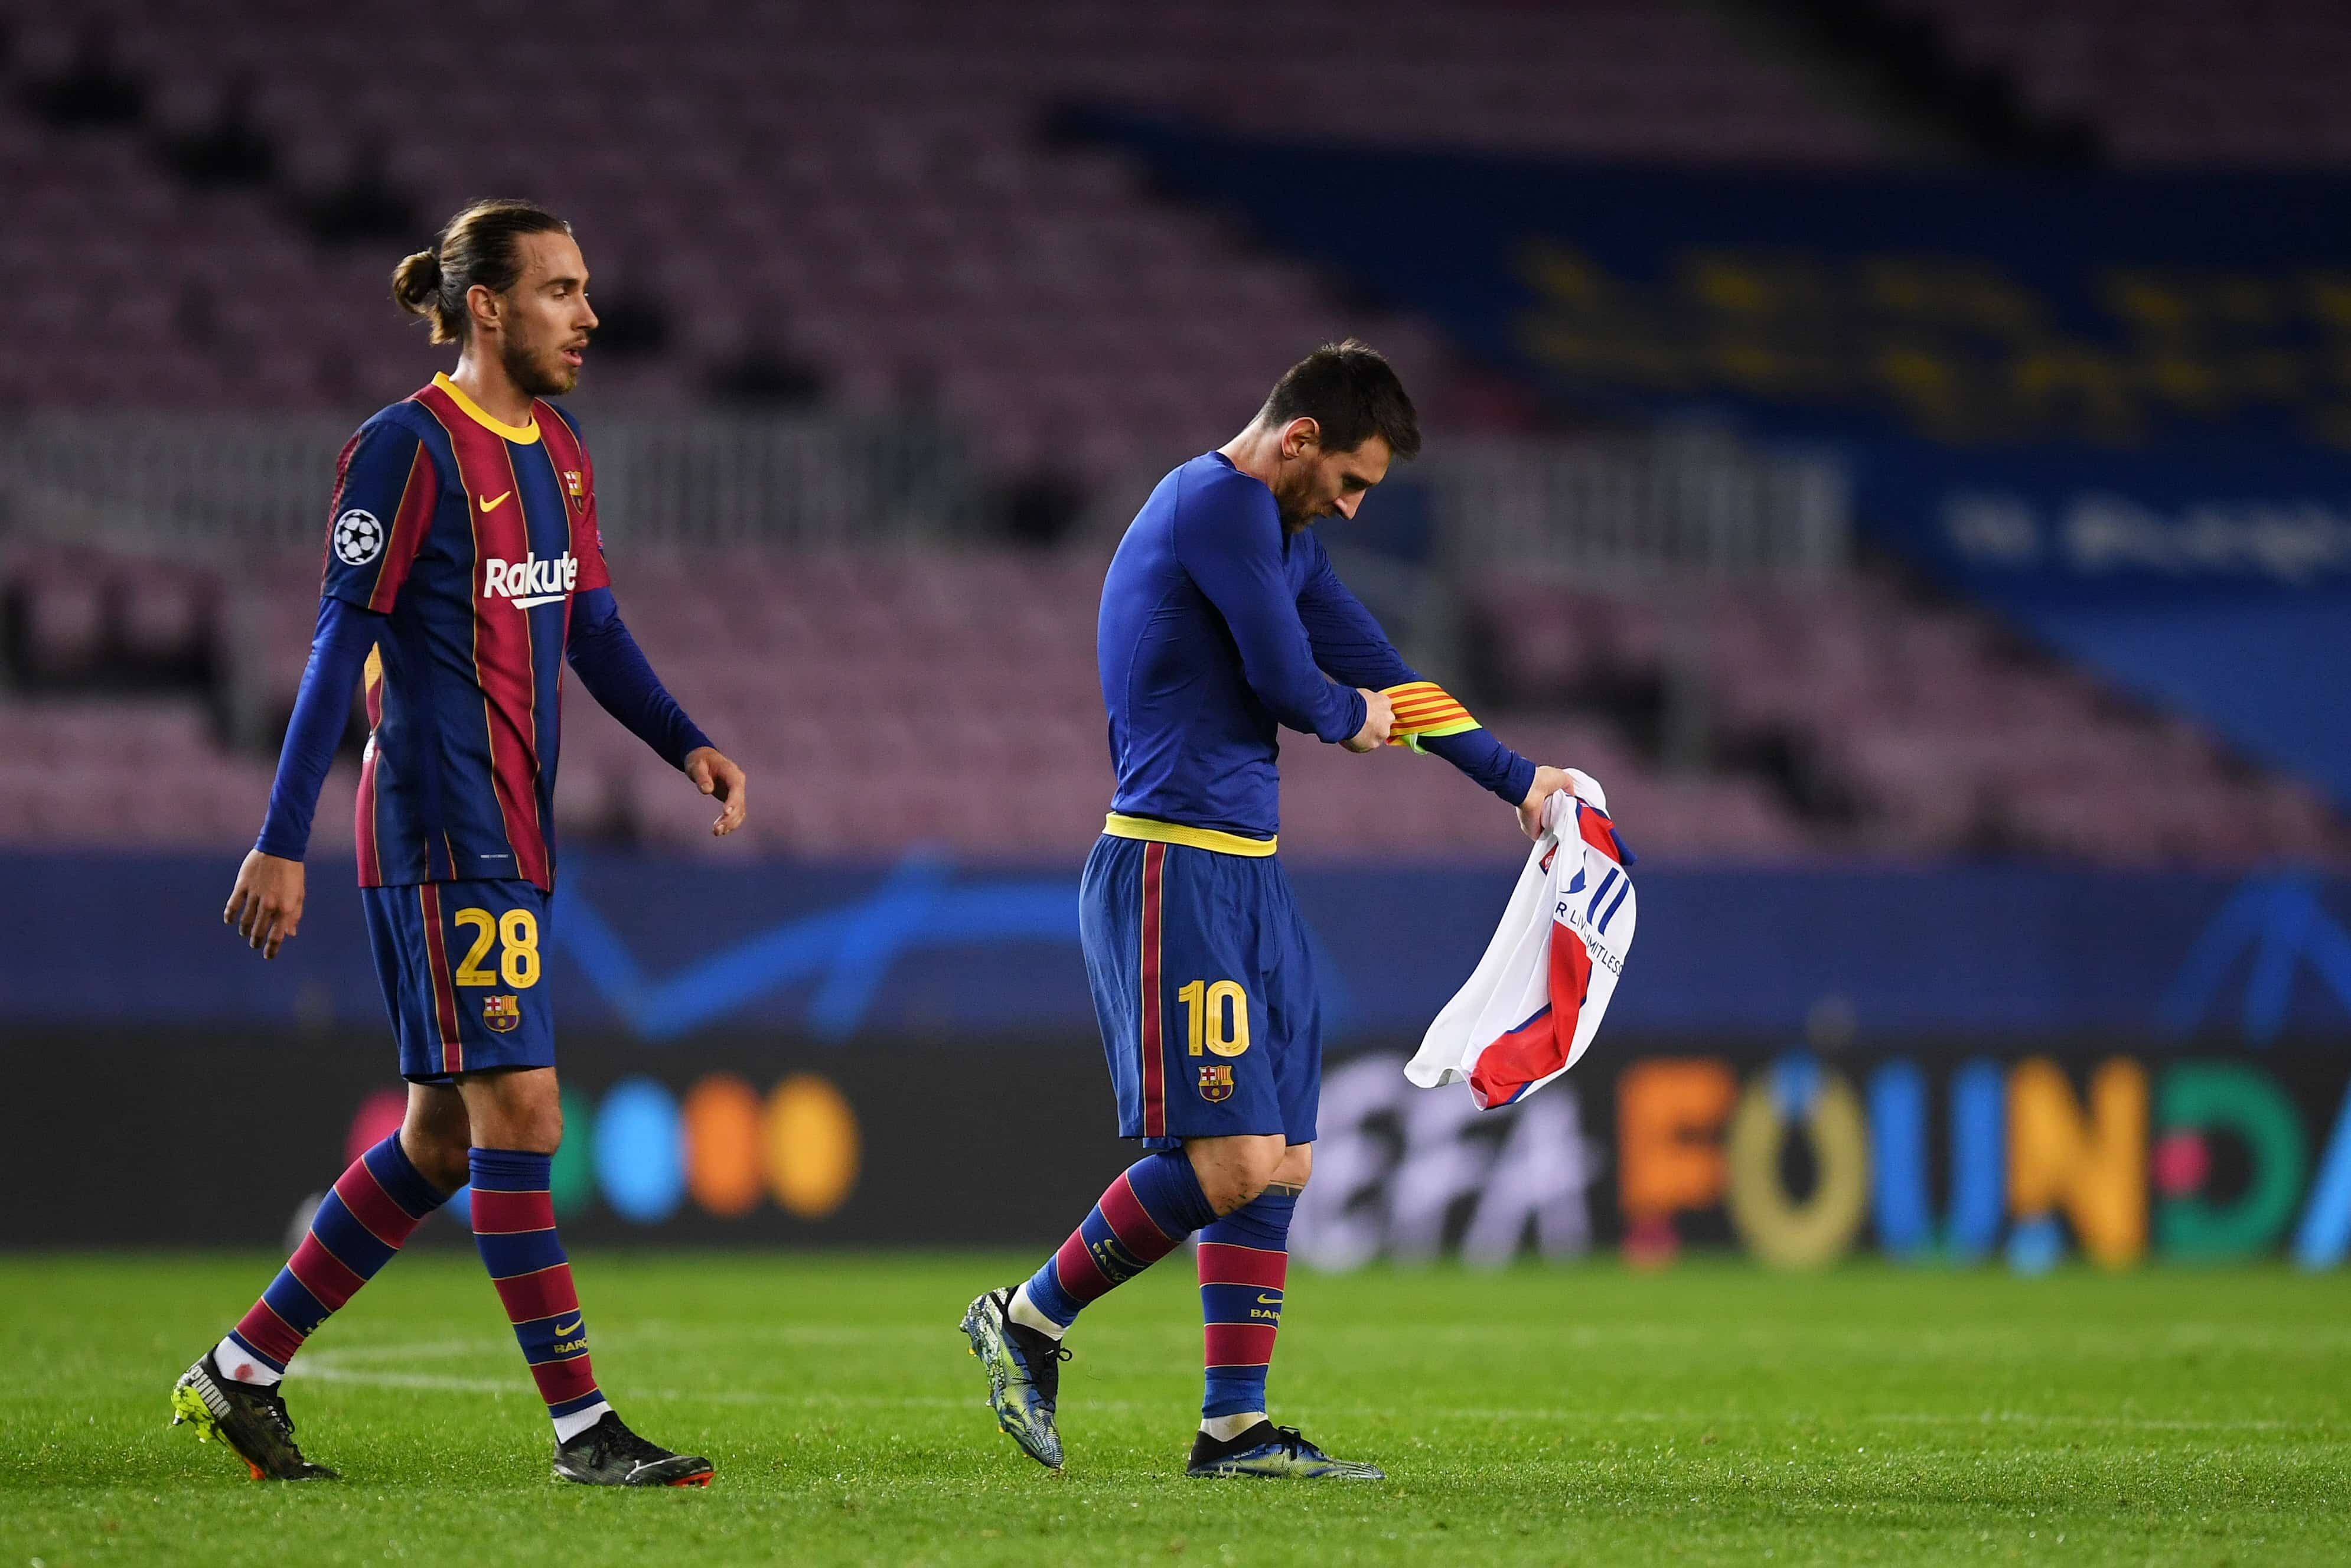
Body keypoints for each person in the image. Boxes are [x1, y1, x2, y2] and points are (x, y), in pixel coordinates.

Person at [170, 199, 747, 1488]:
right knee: (523, 1111)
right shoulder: (405, 448)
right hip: (439, 821)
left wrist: (683, 740)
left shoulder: (562, 447)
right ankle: (583, 1428)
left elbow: (591, 627)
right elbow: (335, 646)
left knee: (441, 1137)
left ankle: (240, 1370)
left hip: (515, 830)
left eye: (586, 289)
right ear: (484, 304)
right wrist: (280, 838)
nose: (589, 315)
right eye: (561, 290)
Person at [961, 340, 1574, 1479]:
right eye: (1349, 482)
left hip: (1247, 870)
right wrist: (1353, 720)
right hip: (1169, 866)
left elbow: (1382, 668)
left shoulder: (1280, 537)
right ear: (1300, 440)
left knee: (1285, 1158)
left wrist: (1518, 781)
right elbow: (1298, 685)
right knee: (1234, 1159)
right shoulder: (1217, 507)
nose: (1348, 508)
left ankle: (1233, 1427)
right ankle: (1028, 1319)